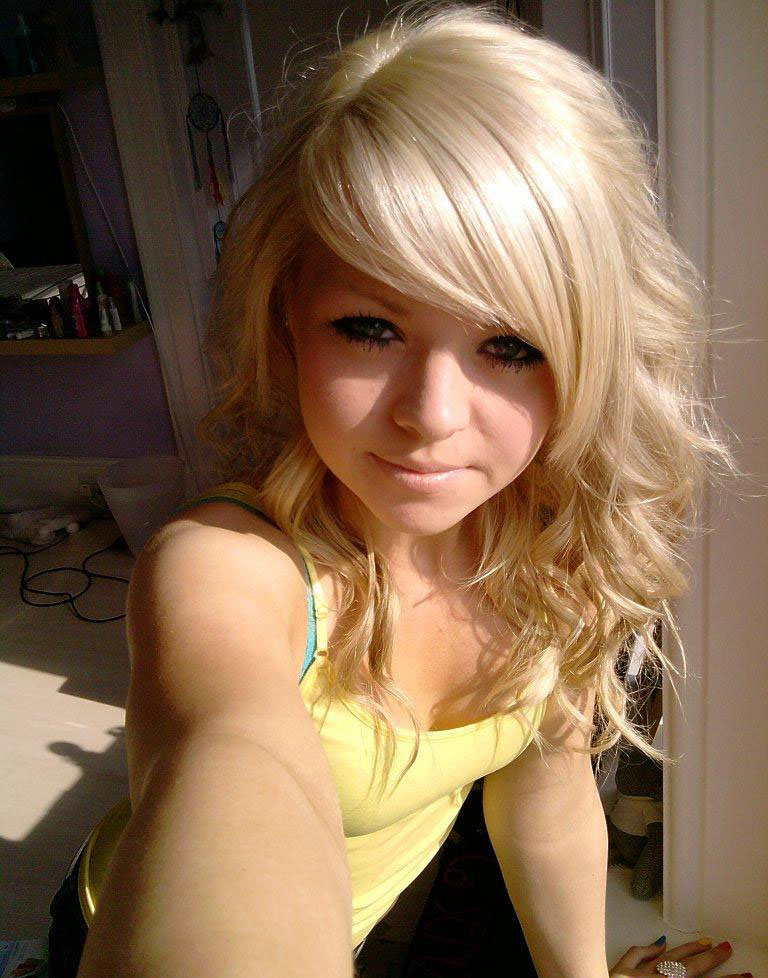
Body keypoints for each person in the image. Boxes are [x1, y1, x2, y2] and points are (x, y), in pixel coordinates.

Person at [64, 3, 746, 978]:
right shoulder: (222, 571)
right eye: (371, 329)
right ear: (288, 316)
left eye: (510, 345)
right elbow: (230, 755)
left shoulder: (552, 549)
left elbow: (546, 791)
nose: (431, 414)